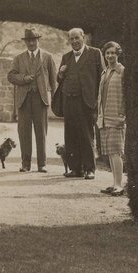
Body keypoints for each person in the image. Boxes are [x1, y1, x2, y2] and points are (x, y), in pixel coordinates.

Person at [56, 28, 105, 179]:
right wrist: (61, 73)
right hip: (69, 100)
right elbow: (59, 80)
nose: (74, 41)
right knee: (70, 135)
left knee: (86, 134)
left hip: (86, 102)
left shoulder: (95, 53)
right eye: (71, 39)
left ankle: (90, 169)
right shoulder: (66, 57)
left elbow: (102, 78)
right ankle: (75, 168)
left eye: (77, 38)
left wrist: (98, 101)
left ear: (83, 37)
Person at [7, 28, 57, 172]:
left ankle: (42, 164)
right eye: (28, 41)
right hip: (24, 99)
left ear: (38, 40)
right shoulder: (18, 58)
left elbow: (53, 81)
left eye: (33, 40)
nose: (31, 43)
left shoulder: (47, 57)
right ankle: (25, 163)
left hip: (40, 99)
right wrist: (23, 79)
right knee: (24, 132)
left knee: (41, 132)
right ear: (25, 42)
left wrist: (54, 99)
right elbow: (10, 76)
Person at [97, 41, 127, 196]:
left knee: (116, 151)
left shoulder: (122, 71)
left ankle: (119, 185)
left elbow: (127, 95)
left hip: (117, 117)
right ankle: (114, 183)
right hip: (104, 117)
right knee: (109, 152)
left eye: (113, 53)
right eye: (107, 53)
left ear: (118, 54)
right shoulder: (105, 72)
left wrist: (123, 115)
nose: (110, 56)